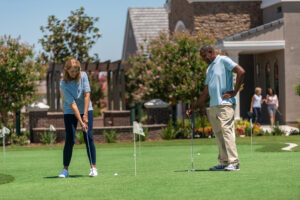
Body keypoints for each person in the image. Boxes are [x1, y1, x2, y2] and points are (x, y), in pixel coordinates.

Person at [187, 45, 245, 171]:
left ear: (211, 52)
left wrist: (234, 92)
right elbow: (206, 91)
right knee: (218, 134)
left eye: (204, 56)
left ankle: (234, 162)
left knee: (226, 131)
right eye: (202, 57)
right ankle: (224, 162)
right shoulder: (209, 69)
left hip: (225, 104)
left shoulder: (223, 60)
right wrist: (194, 107)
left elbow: (241, 71)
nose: (203, 59)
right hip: (213, 106)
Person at [58, 59, 97, 178]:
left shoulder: (83, 76)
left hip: (86, 108)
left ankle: (93, 168)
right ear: (67, 70)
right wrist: (81, 121)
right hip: (70, 111)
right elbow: (73, 105)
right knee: (70, 138)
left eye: (76, 70)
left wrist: (85, 115)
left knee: (88, 136)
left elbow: (87, 94)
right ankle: (65, 170)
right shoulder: (63, 83)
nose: (74, 73)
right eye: (71, 71)